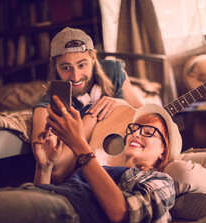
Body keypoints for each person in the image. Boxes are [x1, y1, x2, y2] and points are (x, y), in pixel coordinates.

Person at [0, 98, 179, 223]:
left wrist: (80, 145)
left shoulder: (161, 181)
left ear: (163, 152)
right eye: (134, 129)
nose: (136, 133)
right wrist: (45, 165)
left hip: (67, 214)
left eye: (149, 131)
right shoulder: (103, 168)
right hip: (39, 197)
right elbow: (45, 192)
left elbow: (119, 212)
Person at [31, 27, 143, 159]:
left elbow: (143, 113)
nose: (76, 77)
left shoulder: (114, 72)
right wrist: (89, 119)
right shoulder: (46, 108)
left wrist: (120, 103)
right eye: (66, 68)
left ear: (93, 57)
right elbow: (48, 164)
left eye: (82, 65)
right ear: (53, 64)